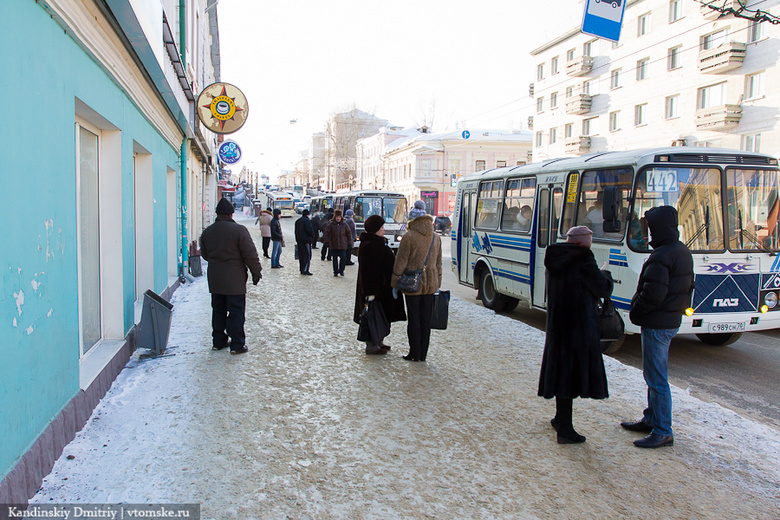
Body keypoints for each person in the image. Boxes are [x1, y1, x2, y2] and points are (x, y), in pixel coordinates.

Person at [621, 206, 694, 449]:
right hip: (669, 319)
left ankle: (662, 429)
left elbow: (652, 293)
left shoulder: (662, 255)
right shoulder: (681, 250)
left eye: (650, 227)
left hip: (657, 322)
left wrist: (636, 311)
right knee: (654, 375)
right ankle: (652, 418)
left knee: (656, 378)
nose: (648, 232)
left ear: (659, 228)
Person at [537, 226, 613, 444]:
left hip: (558, 326)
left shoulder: (555, 258)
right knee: (570, 375)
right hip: (578, 327)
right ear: (582, 243)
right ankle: (566, 430)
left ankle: (560, 419)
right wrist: (605, 274)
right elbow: (603, 289)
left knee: (561, 371)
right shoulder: (584, 259)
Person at [199, 198, 262, 355]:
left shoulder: (208, 231)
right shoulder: (239, 231)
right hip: (235, 281)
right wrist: (256, 272)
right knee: (236, 312)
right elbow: (250, 255)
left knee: (218, 310)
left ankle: (218, 341)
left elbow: (205, 254)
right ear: (231, 213)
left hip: (215, 279)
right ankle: (237, 344)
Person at [391, 213, 442, 362]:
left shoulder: (409, 236)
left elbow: (401, 261)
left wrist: (394, 281)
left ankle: (414, 353)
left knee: (414, 319)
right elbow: (439, 263)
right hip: (431, 284)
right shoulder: (436, 237)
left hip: (412, 284)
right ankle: (423, 354)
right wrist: (438, 281)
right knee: (426, 320)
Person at [354, 215, 407, 355]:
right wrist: (370, 292)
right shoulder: (370, 245)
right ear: (375, 229)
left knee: (382, 315)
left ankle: (379, 341)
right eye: (381, 227)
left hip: (383, 288)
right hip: (376, 289)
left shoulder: (377, 243)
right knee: (372, 315)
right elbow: (367, 271)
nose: (384, 229)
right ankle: (371, 344)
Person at [324, 209, 353, 277]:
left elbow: (349, 234)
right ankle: (335, 271)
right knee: (334, 259)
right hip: (334, 244)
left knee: (343, 258)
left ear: (341, 217)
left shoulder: (345, 225)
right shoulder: (331, 225)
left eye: (339, 217)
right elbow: (326, 233)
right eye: (337, 217)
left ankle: (341, 270)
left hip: (343, 245)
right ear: (335, 217)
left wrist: (350, 243)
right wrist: (327, 241)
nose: (338, 218)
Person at [294, 209, 315, 275]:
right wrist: (313, 236)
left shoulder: (298, 221)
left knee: (301, 255)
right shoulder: (307, 221)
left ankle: (301, 269)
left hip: (299, 240)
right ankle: (305, 270)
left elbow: (296, 232)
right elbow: (309, 230)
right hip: (306, 240)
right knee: (307, 256)